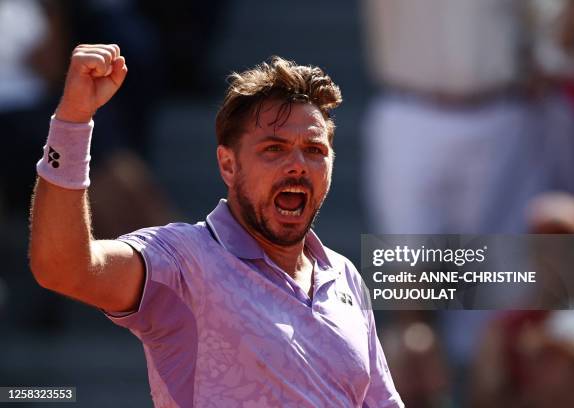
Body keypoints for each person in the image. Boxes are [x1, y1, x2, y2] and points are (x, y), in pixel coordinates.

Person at [28, 44, 404, 407]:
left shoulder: (345, 276)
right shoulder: (182, 259)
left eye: (315, 150)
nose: (298, 164)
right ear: (228, 165)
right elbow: (64, 267)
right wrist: (73, 120)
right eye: (274, 149)